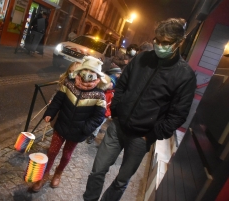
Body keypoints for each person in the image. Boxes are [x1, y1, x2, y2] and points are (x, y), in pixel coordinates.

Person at [83, 18, 197, 201]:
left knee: (121, 181)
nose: (160, 46)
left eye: (166, 43)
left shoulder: (185, 76)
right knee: (97, 170)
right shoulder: (142, 59)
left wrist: (151, 134)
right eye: (157, 41)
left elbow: (178, 114)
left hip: (141, 138)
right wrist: (117, 111)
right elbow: (122, 86)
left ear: (179, 43)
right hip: (118, 128)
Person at [30, 56, 107, 192]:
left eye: (91, 72)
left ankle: (58, 173)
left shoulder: (99, 95)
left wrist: (85, 128)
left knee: (66, 155)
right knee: (52, 151)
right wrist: (50, 113)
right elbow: (58, 101)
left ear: (97, 76)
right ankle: (44, 175)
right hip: (61, 125)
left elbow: (99, 116)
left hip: (77, 132)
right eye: (85, 70)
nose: (87, 75)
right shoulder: (69, 83)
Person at [86, 68, 122, 144]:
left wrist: (108, 113)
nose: (109, 84)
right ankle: (87, 132)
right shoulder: (101, 91)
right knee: (92, 121)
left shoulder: (111, 95)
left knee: (97, 125)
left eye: (110, 83)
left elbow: (110, 104)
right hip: (96, 111)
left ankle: (93, 135)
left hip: (104, 113)